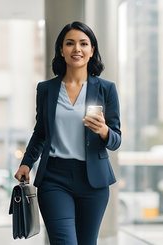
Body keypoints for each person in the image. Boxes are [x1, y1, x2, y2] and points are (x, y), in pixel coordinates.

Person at [14, 21, 121, 245]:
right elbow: (41, 131)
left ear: (92, 51)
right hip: (54, 178)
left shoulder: (106, 89)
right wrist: (27, 163)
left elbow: (115, 140)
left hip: (93, 181)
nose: (77, 49)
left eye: (84, 43)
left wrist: (103, 131)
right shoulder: (46, 89)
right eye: (70, 43)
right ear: (61, 50)